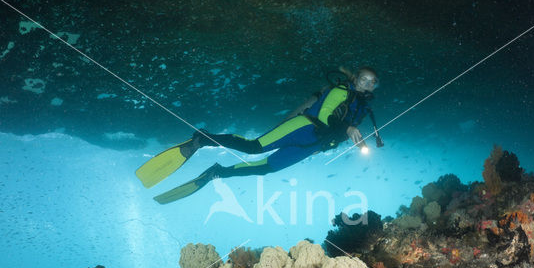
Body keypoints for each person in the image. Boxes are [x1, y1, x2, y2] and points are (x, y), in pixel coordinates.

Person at [136, 66, 379, 203]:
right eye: (364, 80)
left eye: (372, 83)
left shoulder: (363, 108)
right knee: (254, 147)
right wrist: (347, 128)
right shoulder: (340, 90)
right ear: (355, 78)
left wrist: (352, 138)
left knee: (266, 168)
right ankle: (203, 139)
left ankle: (216, 172)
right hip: (302, 127)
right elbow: (326, 114)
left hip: (312, 145)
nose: (367, 85)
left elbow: (344, 129)